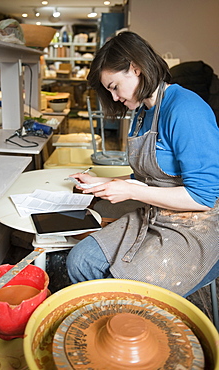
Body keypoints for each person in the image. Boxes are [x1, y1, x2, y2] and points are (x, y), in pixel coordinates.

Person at [66, 31, 219, 297]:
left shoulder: (186, 110)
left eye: (114, 86)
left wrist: (131, 191)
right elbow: (151, 177)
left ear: (135, 69)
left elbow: (203, 197)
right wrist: (105, 183)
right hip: (155, 214)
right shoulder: (144, 113)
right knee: (80, 261)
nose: (113, 98)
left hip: (197, 226)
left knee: (122, 289)